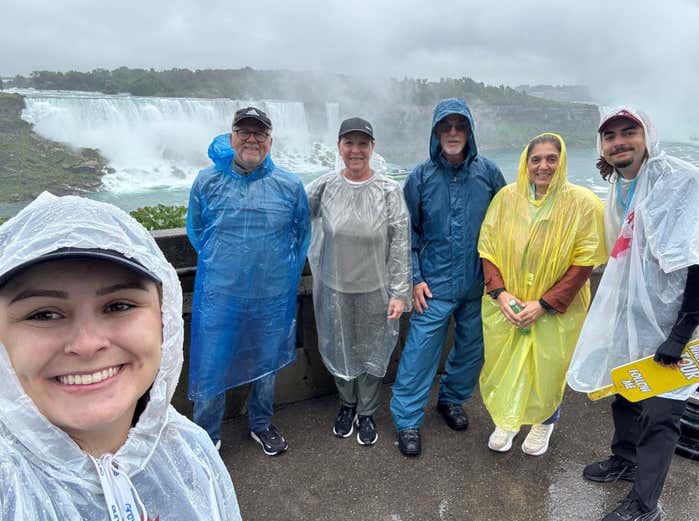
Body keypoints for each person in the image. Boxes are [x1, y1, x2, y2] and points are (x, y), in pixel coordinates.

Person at [0, 193, 241, 520]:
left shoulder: (192, 451)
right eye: (44, 314)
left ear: (164, 319)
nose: (86, 344)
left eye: (119, 306)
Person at [566, 107, 699, 521]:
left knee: (662, 410)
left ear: (648, 135)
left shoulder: (679, 182)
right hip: (639, 311)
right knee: (628, 390)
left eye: (628, 132)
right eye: (610, 135)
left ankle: (645, 502)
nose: (619, 141)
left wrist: (680, 335)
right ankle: (625, 458)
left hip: (680, 316)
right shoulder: (622, 183)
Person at [187, 107, 310, 455]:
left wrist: (279, 275)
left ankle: (261, 424)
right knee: (212, 364)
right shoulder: (207, 181)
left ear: (270, 142)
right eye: (245, 132)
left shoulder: (289, 185)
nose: (251, 139)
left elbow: (302, 236)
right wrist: (226, 266)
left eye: (259, 133)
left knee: (265, 364)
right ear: (232, 138)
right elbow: (196, 232)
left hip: (271, 295)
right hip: (220, 294)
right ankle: (206, 437)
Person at [478, 133, 607, 456]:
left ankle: (545, 421)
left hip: (556, 307)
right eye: (536, 159)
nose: (543, 166)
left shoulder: (583, 204)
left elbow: (585, 261)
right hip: (510, 302)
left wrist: (546, 304)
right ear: (526, 163)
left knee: (549, 366)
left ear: (561, 162)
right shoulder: (507, 199)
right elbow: (488, 248)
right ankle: (509, 419)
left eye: (551, 158)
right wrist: (500, 293)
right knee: (507, 363)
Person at [390, 98, 506, 456]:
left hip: (477, 284)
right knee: (419, 354)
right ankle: (407, 421)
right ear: (436, 132)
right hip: (434, 286)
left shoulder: (488, 173)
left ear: (469, 132)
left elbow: (507, 225)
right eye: (446, 127)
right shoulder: (420, 177)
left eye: (460, 126)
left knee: (471, 351)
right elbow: (406, 232)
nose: (453, 133)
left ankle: (452, 400)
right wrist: (415, 278)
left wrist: (498, 279)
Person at [306, 117, 411, 446]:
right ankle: (346, 404)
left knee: (372, 353)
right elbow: (292, 216)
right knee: (339, 348)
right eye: (349, 143)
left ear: (372, 148)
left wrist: (399, 293)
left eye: (362, 144)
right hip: (334, 289)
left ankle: (366, 411)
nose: (355, 150)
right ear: (338, 147)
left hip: (375, 292)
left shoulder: (389, 190)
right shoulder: (324, 187)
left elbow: (399, 244)